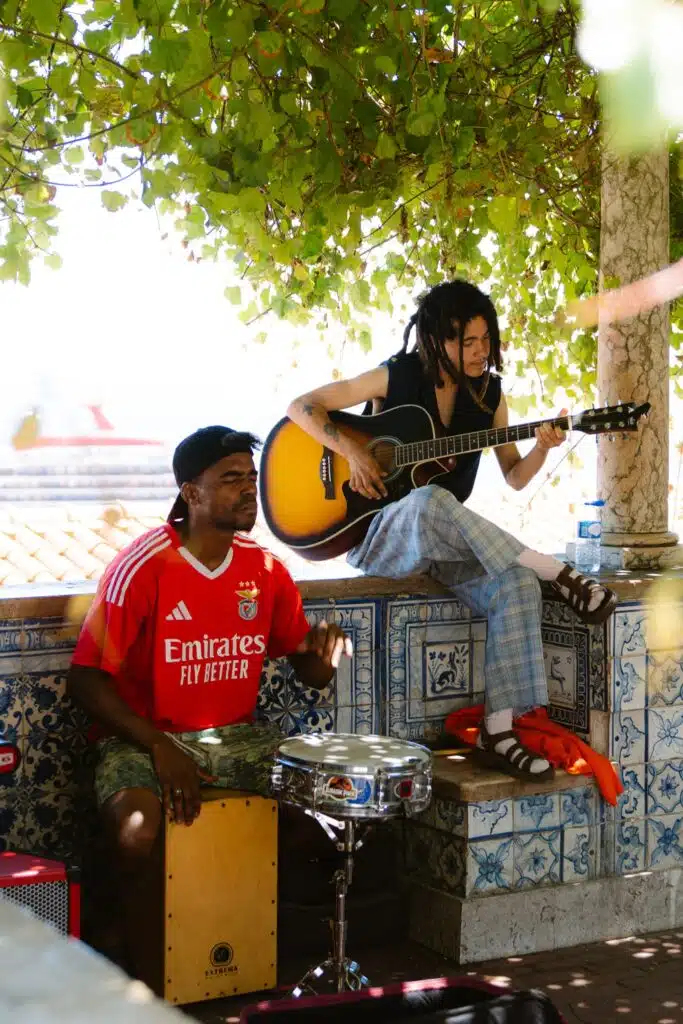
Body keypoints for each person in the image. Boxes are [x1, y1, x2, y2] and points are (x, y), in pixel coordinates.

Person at [286, 280, 617, 783]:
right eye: (469, 342)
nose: (482, 351)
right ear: (438, 341)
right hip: (381, 536)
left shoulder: (489, 398)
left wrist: (542, 447)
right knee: (429, 500)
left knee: (517, 583)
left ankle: (499, 730)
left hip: (441, 544)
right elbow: (301, 406)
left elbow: (514, 477)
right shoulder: (396, 377)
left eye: (487, 340)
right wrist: (353, 452)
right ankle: (556, 571)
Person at [67, 425, 351, 978]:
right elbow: (85, 680)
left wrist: (324, 654)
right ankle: (121, 948)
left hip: (235, 737)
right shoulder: (145, 564)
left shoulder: (265, 569)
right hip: (140, 737)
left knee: (327, 815)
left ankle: (249, 945)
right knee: (135, 831)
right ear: (190, 492)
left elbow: (308, 669)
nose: (248, 489)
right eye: (230, 479)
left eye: (251, 477)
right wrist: (159, 746)